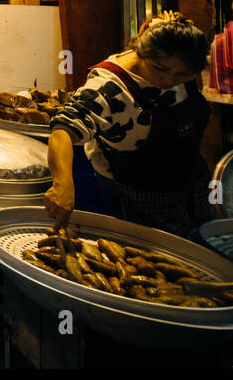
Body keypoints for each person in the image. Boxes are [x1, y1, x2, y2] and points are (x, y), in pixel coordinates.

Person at [43, 12, 216, 238]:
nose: (169, 80)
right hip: (137, 195)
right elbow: (62, 131)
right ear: (141, 53)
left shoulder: (181, 56)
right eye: (160, 69)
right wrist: (62, 184)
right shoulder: (110, 86)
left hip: (191, 185)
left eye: (182, 74)